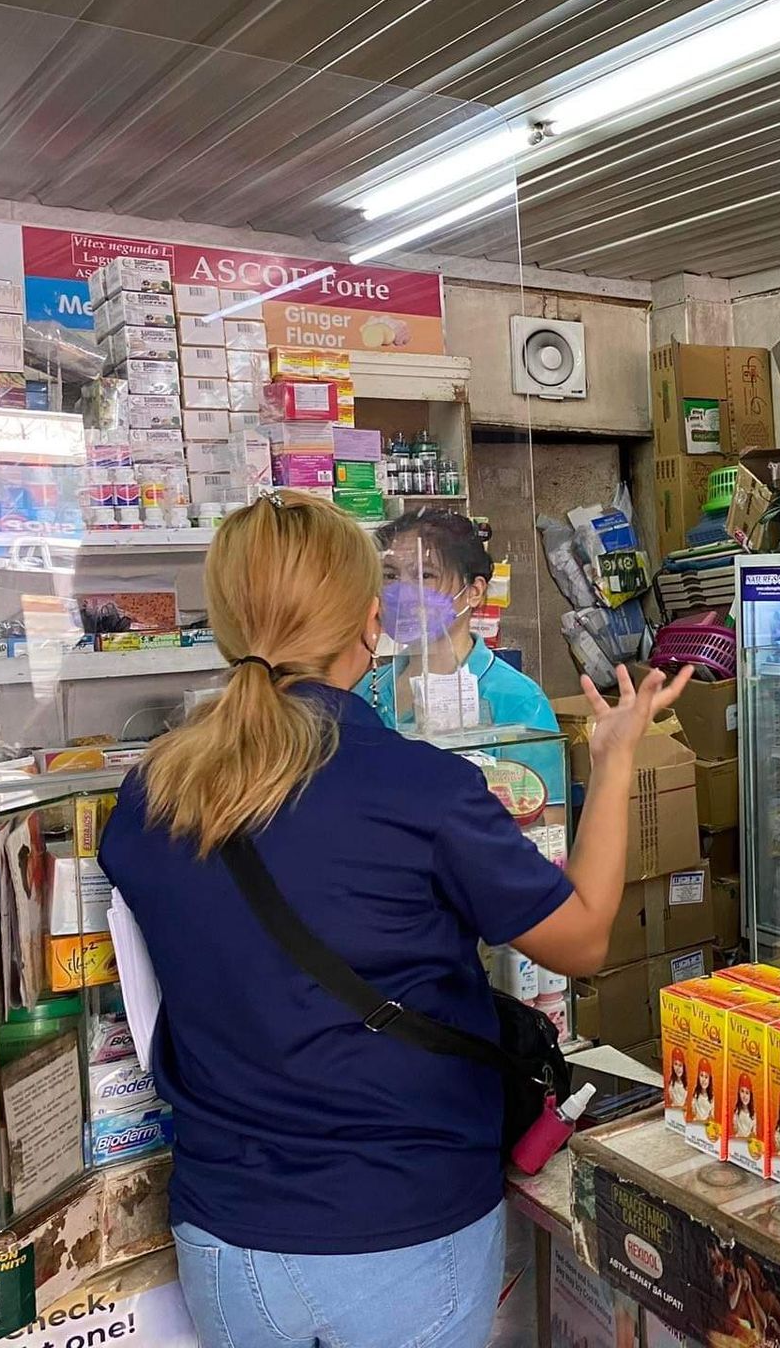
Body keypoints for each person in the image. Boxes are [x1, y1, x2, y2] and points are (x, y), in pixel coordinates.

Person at [99, 492, 689, 1348]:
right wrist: (616, 754)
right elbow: (586, 937)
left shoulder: (152, 794)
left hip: (226, 1244)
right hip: (402, 1228)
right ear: (368, 624)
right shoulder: (419, 789)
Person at [367, 509, 564, 795]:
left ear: (474, 591)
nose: (404, 591)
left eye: (426, 574)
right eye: (390, 575)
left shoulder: (516, 700)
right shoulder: (368, 689)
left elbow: (547, 824)